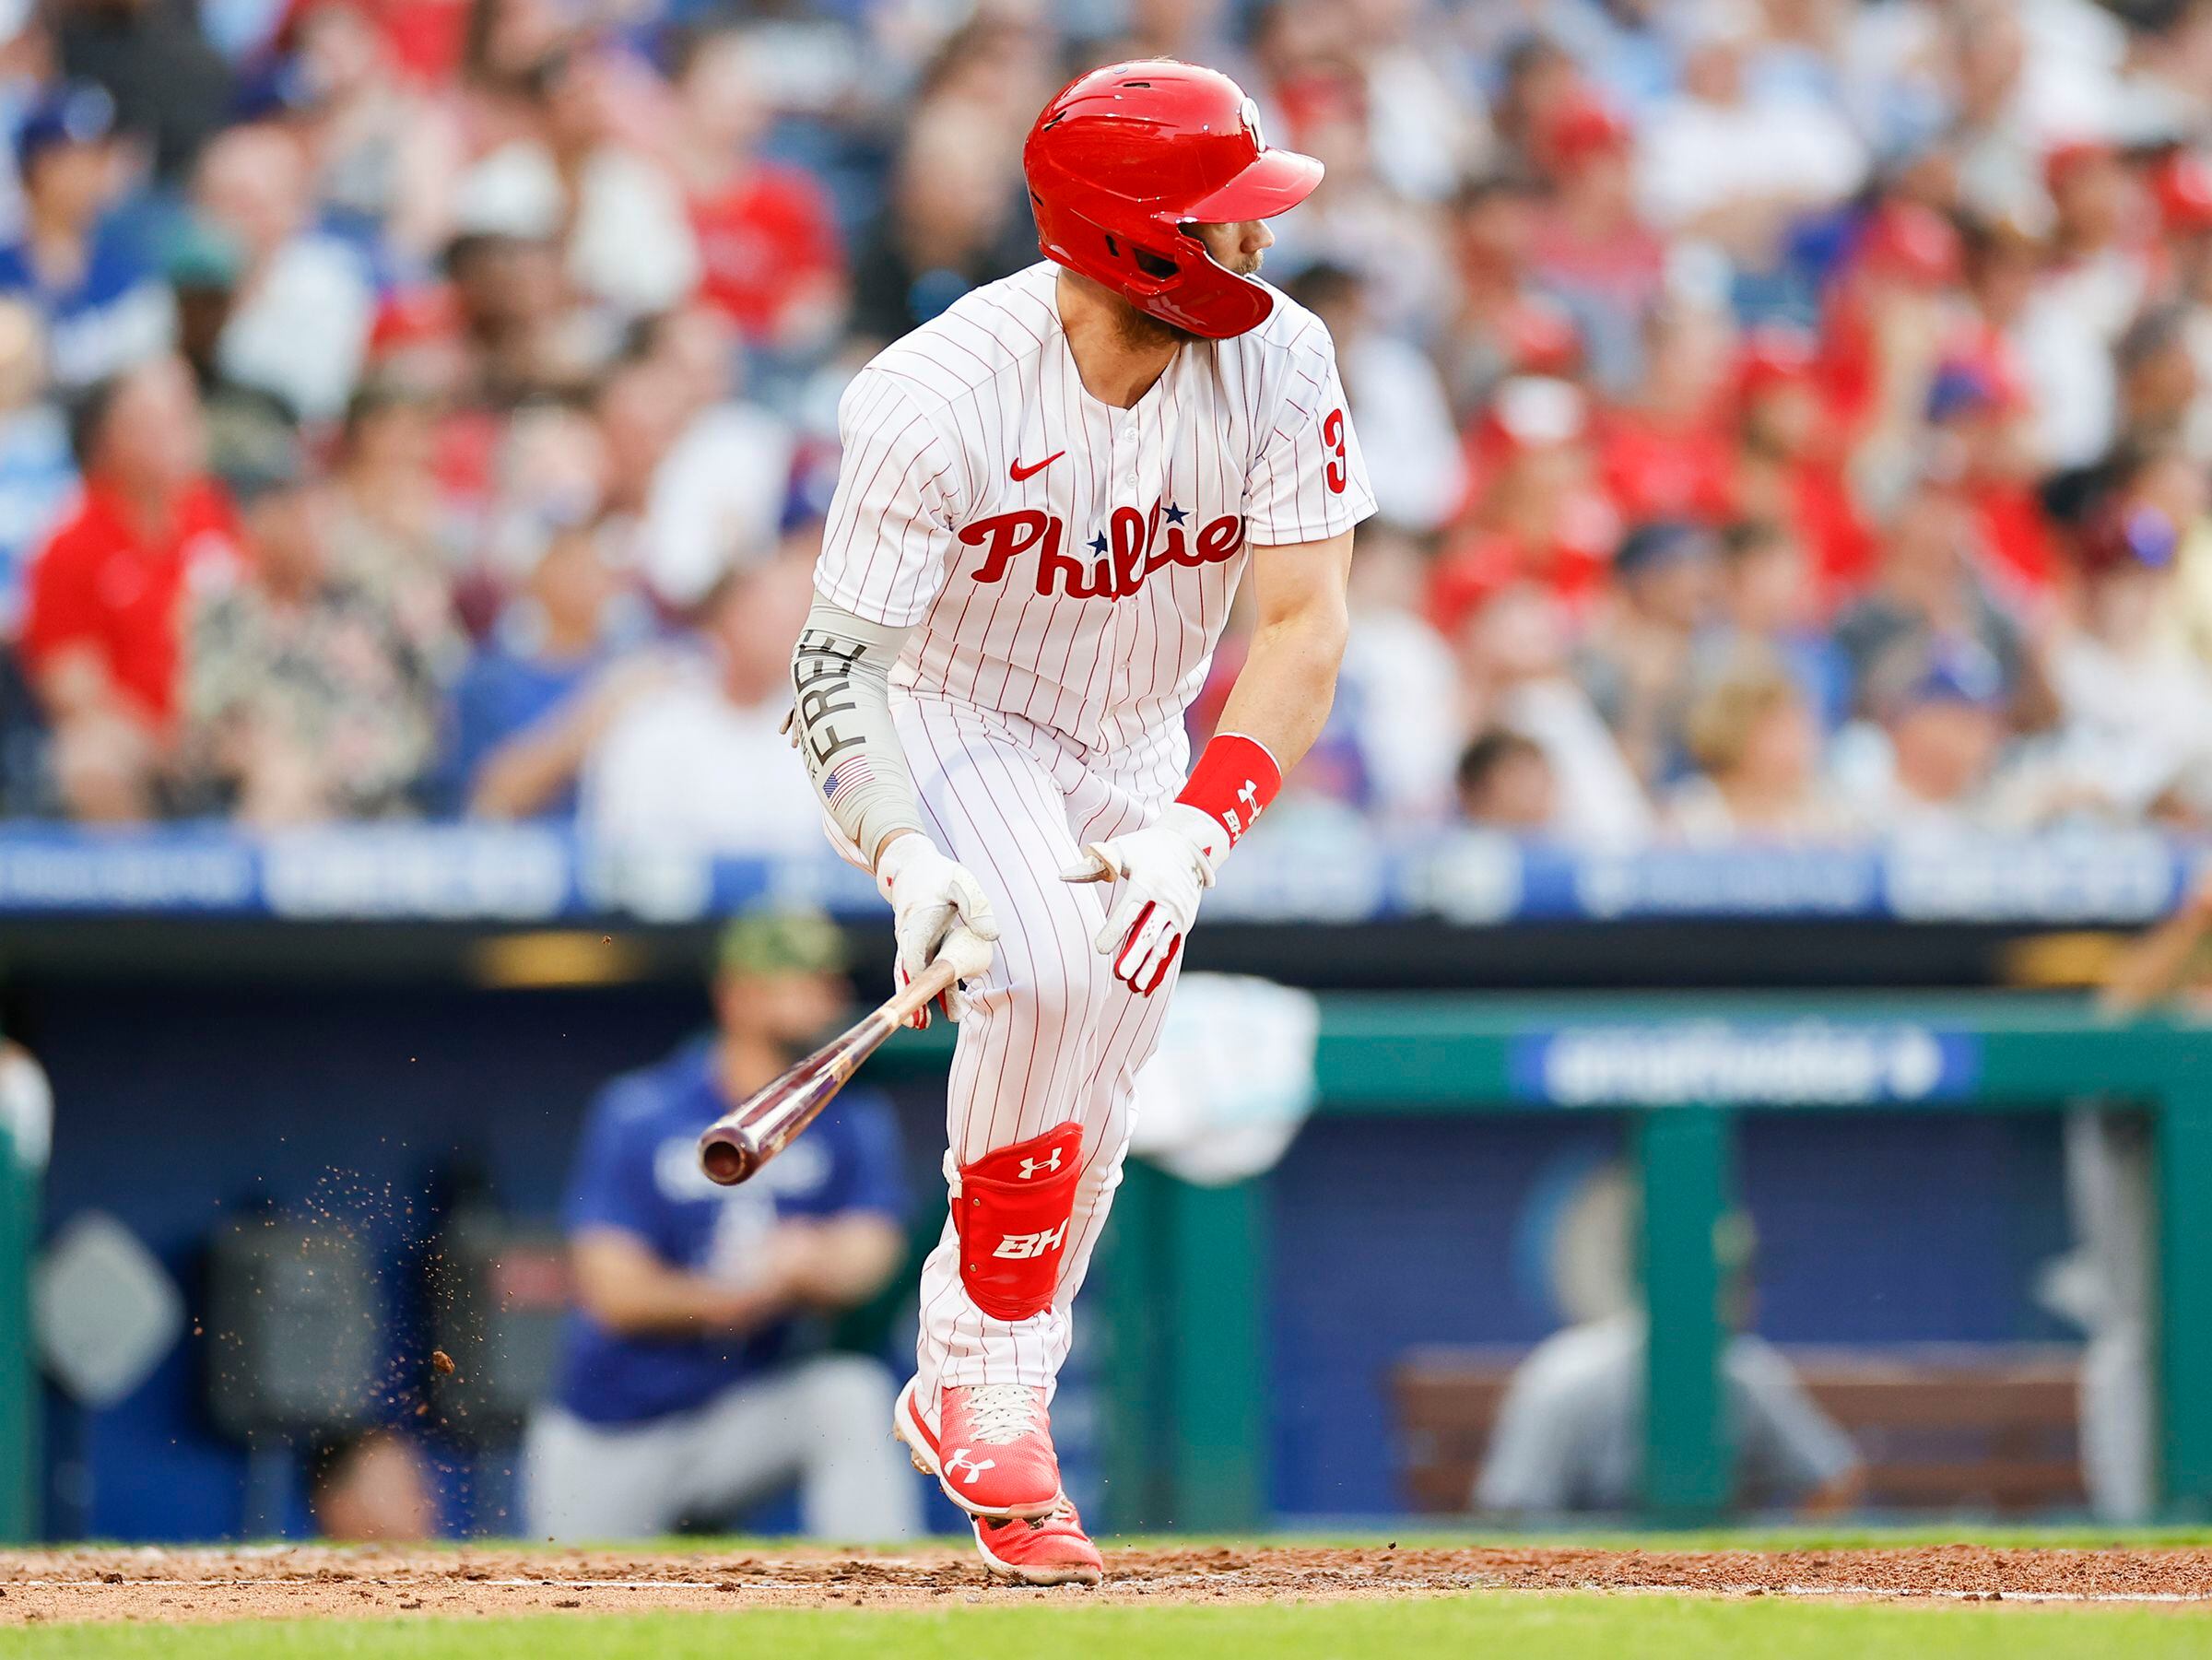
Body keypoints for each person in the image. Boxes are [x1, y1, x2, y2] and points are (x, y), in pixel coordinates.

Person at [785, 62, 1373, 1584]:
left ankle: (1001, 1396)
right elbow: (832, 669)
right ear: (1130, 239)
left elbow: (1305, 630)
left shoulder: (1286, 359)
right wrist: (910, 860)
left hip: (1140, 729)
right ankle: (975, 1365)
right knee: (1041, 969)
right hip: (960, 711)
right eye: (1220, 219)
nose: (1253, 243)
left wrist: (1201, 824)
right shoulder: (931, 396)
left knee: (1098, 1049)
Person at [524, 911, 919, 1544]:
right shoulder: (644, 1110)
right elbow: (611, 1289)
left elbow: (872, 1253)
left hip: (742, 1414)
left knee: (847, 1395)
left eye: (831, 980)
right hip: (615, 1425)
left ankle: (880, 1612)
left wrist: (810, 1259)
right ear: (739, 993)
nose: (831, 998)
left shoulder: (851, 1117)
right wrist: (732, 1294)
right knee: (569, 1622)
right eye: (806, 979)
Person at [19, 355, 242, 820]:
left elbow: (252, 633)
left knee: (289, 763)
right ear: (106, 437)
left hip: (218, 725)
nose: (179, 433)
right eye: (155, 421)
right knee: (92, 761)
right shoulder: (70, 542)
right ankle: (140, 893)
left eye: (184, 415)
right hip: (130, 732)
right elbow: (72, 685)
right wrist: (161, 739)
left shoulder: (213, 515)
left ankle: (255, 889)